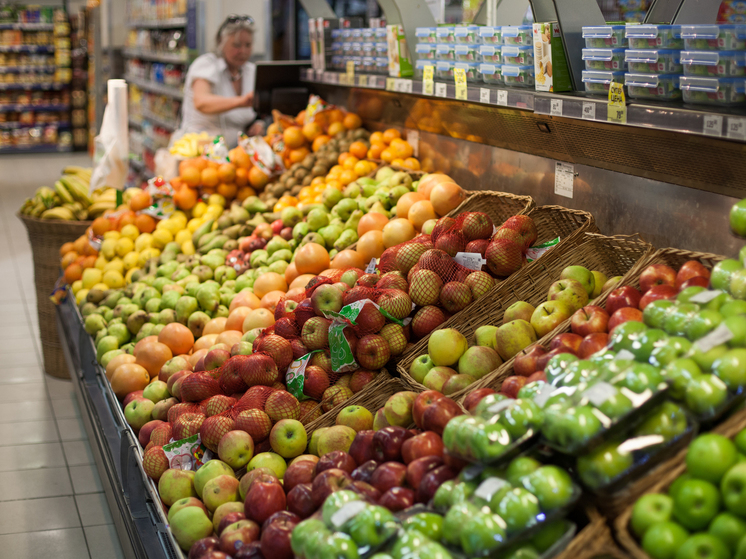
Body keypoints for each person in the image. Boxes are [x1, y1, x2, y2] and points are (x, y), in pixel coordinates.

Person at [173, 15, 265, 147]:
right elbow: (201, 102)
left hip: (235, 153)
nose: (243, 51)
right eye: (236, 45)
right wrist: (241, 101)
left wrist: (256, 124)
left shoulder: (251, 71)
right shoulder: (206, 65)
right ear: (221, 43)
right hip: (199, 151)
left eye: (248, 45)